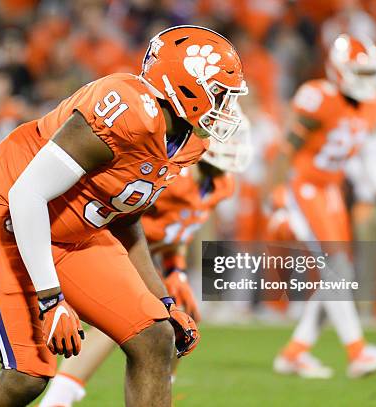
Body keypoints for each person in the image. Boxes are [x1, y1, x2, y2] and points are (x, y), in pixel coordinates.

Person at [0, 25, 247, 407]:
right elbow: (27, 194)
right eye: (219, 94)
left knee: (155, 338)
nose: (225, 106)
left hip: (79, 232)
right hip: (8, 217)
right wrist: (50, 300)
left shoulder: (190, 141)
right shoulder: (124, 109)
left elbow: (127, 220)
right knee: (27, 376)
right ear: (186, 85)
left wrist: (163, 301)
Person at [39, 112, 252, 407]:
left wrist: (176, 270)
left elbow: (179, 230)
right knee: (122, 318)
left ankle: (161, 390)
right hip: (117, 248)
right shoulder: (177, 177)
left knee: (184, 316)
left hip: (149, 259)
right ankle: (60, 398)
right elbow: (124, 219)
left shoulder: (221, 186)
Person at [268, 34, 376, 379]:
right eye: (363, 73)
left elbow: (366, 151)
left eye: (374, 73)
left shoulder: (371, 105)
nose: (371, 81)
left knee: (340, 274)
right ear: (340, 70)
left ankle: (295, 352)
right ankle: (357, 352)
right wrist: (278, 197)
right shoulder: (318, 98)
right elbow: (287, 150)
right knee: (338, 270)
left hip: (330, 190)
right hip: (305, 187)